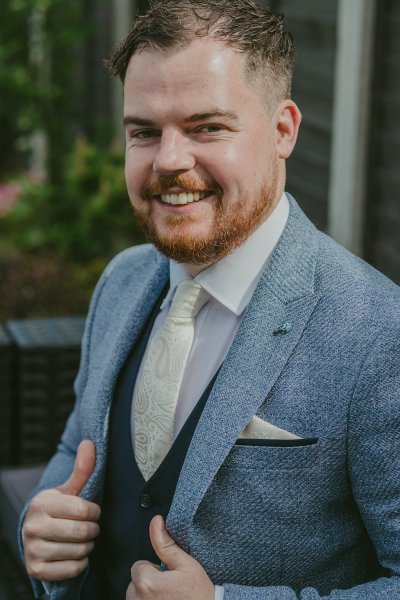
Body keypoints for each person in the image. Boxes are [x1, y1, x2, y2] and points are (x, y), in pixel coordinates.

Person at [19, 0, 400, 598]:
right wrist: (42, 522)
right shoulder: (121, 282)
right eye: (144, 131)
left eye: (207, 127)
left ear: (283, 131)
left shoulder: (379, 332)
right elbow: (79, 446)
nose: (170, 160)